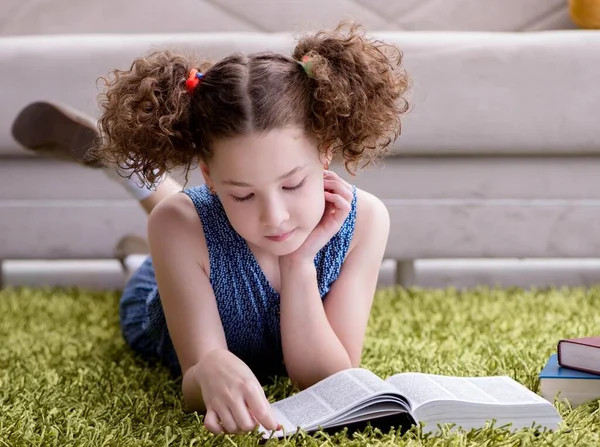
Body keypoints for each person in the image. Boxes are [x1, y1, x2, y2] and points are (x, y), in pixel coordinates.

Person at [11, 21, 410, 435]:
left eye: (292, 184)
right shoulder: (177, 226)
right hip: (163, 288)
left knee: (189, 216)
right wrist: (208, 368)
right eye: (242, 194)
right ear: (209, 176)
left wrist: (298, 262)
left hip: (199, 237)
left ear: (326, 153)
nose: (275, 217)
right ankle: (134, 185)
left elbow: (327, 382)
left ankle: (130, 173)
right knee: (177, 218)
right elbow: (193, 382)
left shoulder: (365, 219)